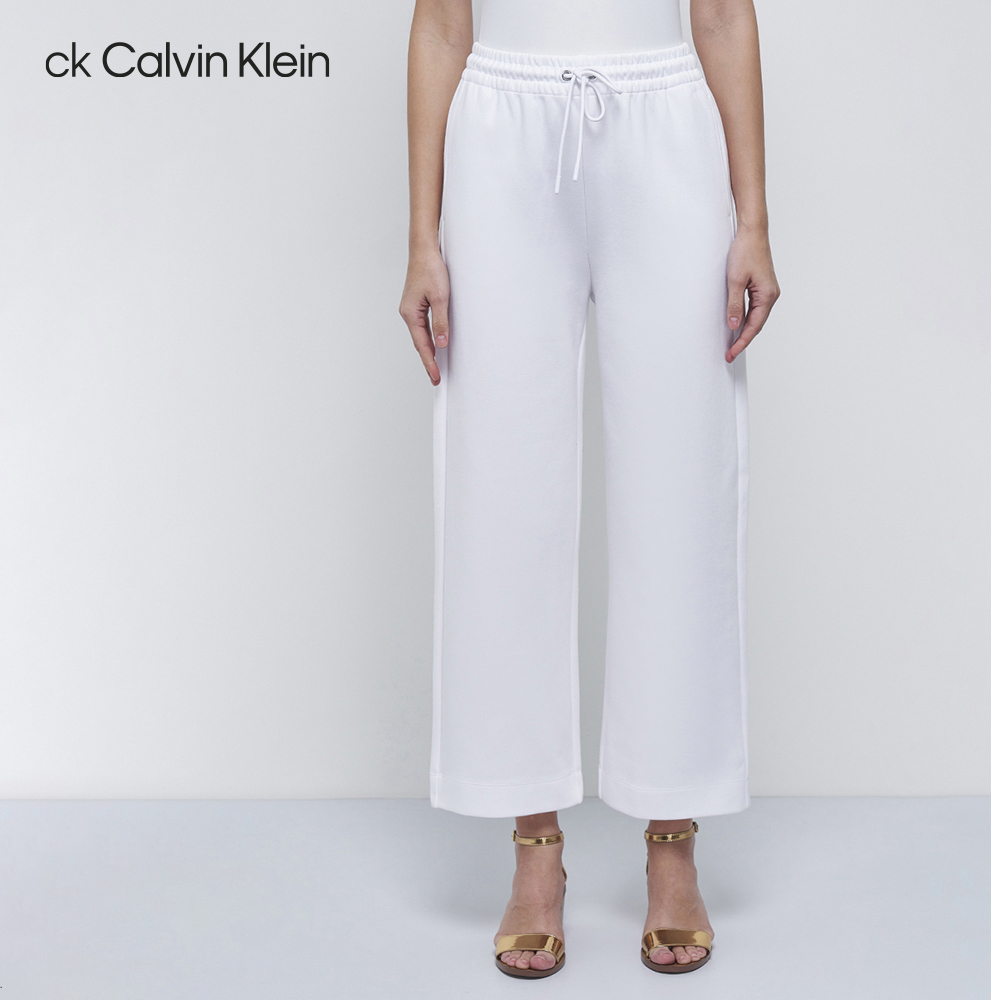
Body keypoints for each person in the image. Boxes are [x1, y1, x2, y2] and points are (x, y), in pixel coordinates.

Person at [398, 0, 779, 978]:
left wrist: (753, 219)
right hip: (502, 130)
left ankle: (672, 842)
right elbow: (440, 24)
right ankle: (535, 847)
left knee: (680, 488)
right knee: (502, 493)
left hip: (665, 125)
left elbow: (721, 13)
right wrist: (422, 238)